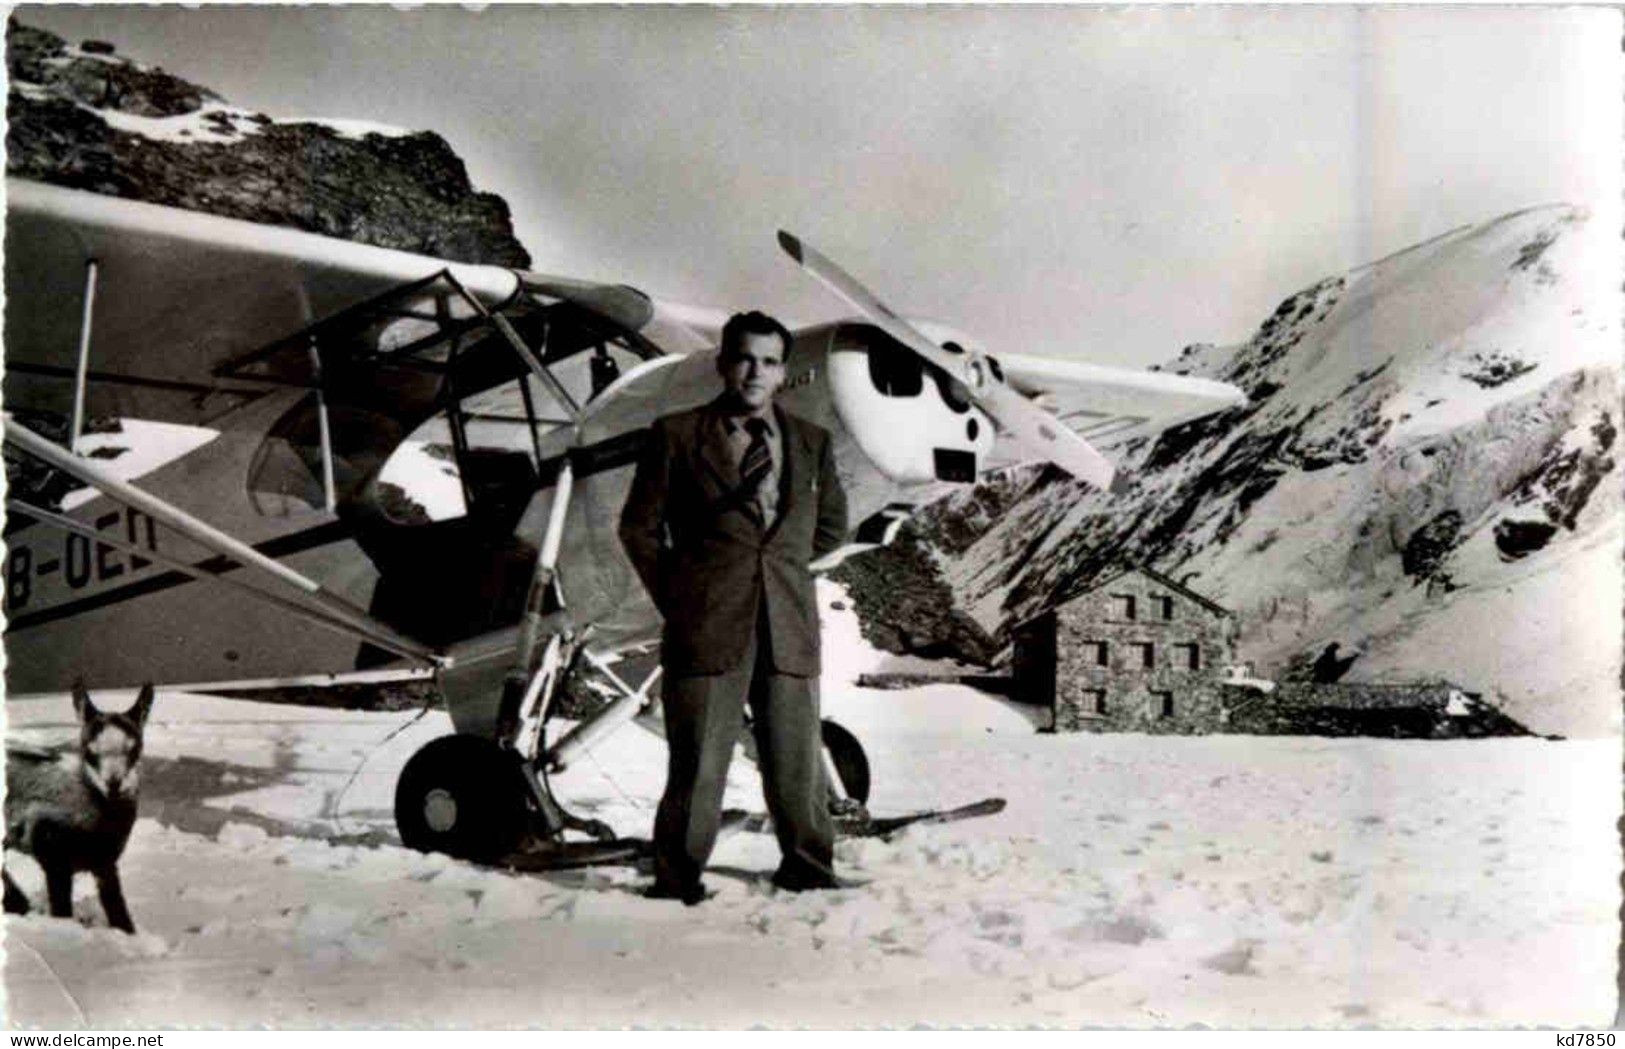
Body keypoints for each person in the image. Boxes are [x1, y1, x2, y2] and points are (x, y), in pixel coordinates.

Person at [618, 310, 848, 904]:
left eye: (769, 362)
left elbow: (829, 530)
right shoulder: (675, 434)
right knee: (698, 765)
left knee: (796, 760)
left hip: (787, 623)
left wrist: (780, 568)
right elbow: (639, 530)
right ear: (723, 363)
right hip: (706, 622)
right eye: (745, 358)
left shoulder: (811, 443)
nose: (755, 372)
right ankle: (678, 879)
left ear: (783, 373)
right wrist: (684, 597)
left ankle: (808, 869)